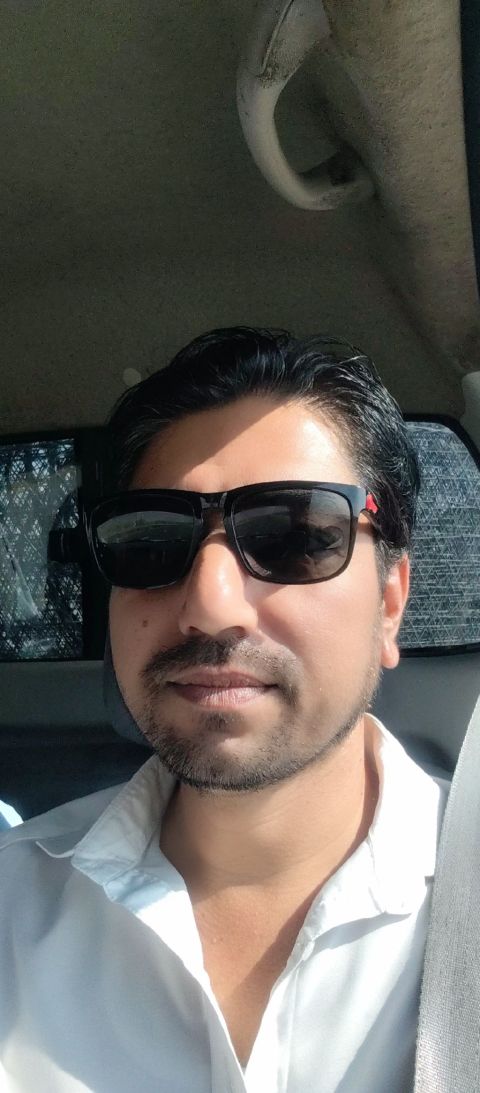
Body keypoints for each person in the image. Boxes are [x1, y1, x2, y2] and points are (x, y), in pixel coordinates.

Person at [0, 327, 448, 1092]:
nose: (210, 605)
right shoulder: (13, 908)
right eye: (150, 539)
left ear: (389, 604)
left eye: (295, 535)